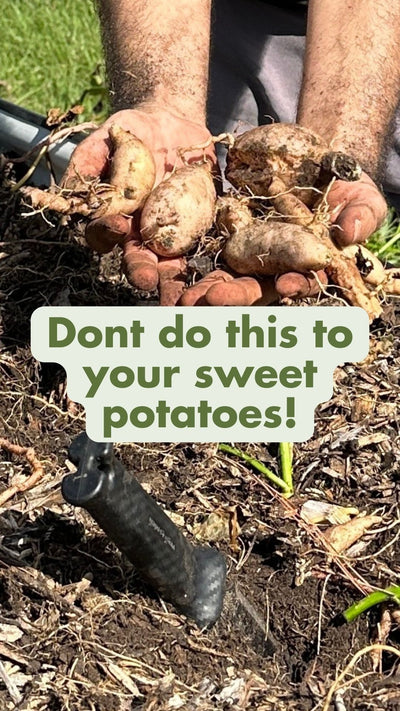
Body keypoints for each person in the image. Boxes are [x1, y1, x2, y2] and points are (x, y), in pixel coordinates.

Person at [64, 0, 398, 306]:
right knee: (231, 182)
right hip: (215, 21)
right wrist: (165, 102)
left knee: (342, 210)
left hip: (373, 36)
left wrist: (339, 149)